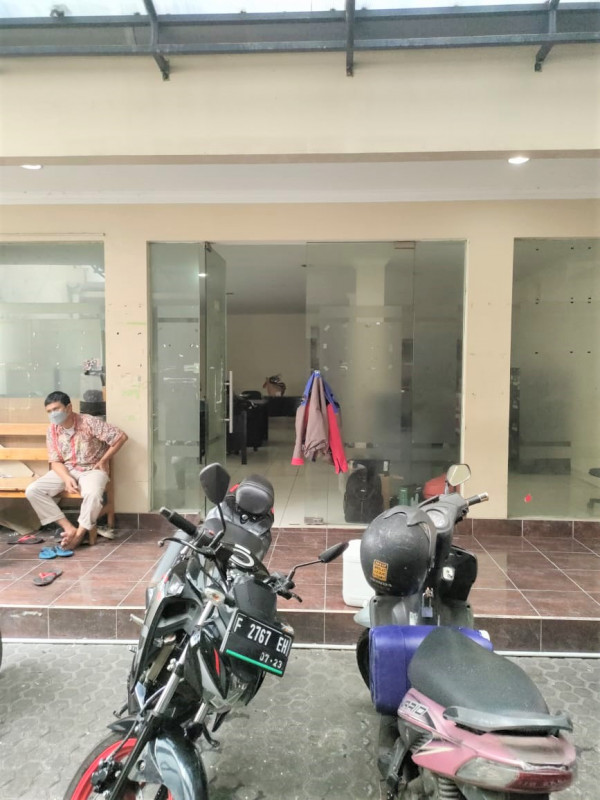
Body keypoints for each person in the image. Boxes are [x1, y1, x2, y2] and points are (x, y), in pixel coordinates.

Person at [25, 391, 128, 550]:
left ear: (68, 407)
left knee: (92, 494)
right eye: (49, 411)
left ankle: (79, 534)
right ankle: (69, 529)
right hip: (67, 469)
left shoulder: (89, 422)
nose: (53, 414)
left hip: (92, 469)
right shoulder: (52, 430)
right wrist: (66, 478)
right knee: (33, 490)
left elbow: (120, 437)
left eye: (56, 409)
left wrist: (103, 460)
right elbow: (55, 461)